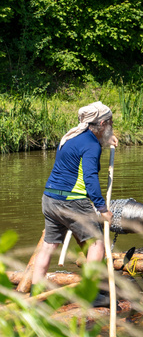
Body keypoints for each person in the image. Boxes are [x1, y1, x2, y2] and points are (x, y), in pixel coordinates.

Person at [32, 101, 118, 300]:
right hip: (71, 202)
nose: (112, 126)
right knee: (97, 244)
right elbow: (90, 178)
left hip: (49, 199)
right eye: (111, 122)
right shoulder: (91, 145)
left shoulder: (73, 137)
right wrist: (102, 207)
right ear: (103, 123)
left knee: (48, 246)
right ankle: (93, 295)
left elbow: (78, 157)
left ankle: (35, 292)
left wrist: (106, 141)